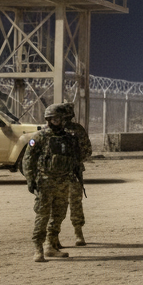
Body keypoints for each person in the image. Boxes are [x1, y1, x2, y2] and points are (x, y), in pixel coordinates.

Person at [22, 104, 83, 262]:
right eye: (54, 119)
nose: (57, 122)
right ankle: (38, 248)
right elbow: (28, 159)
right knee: (42, 215)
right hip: (45, 182)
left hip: (63, 182)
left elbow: (76, 158)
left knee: (59, 215)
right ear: (48, 120)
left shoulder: (68, 138)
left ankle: (51, 245)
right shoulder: (39, 137)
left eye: (59, 119)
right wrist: (30, 179)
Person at [54, 103, 90, 247]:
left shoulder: (77, 130)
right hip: (57, 173)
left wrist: (75, 160)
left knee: (75, 202)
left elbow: (87, 150)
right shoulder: (52, 130)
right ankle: (54, 236)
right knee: (57, 204)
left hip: (73, 172)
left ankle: (78, 232)